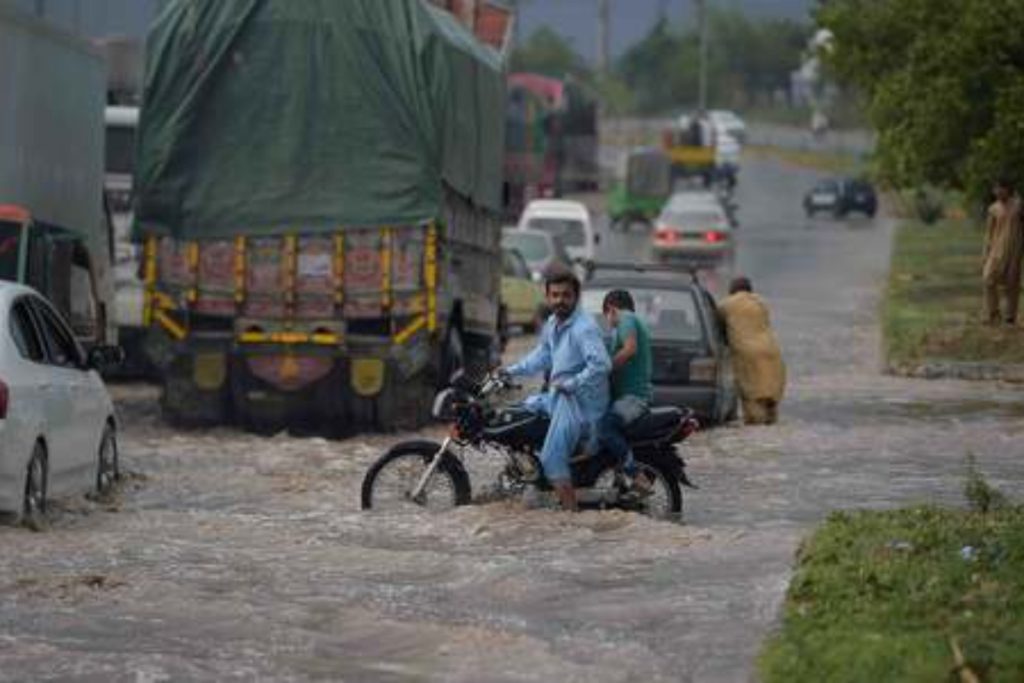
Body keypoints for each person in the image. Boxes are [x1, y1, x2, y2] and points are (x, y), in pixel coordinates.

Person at [503, 269, 611, 511]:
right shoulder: (553, 323)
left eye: (566, 295)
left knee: (551, 458)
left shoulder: (584, 328)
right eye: (555, 295)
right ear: (547, 296)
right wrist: (508, 371)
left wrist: (572, 383)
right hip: (558, 397)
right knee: (519, 412)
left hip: (580, 404)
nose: (560, 300)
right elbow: (541, 356)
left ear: (576, 297)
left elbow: (602, 364)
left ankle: (572, 515)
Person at [597, 290, 654, 491]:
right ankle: (618, 477)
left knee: (604, 428)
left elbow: (630, 349)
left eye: (607, 317)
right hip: (631, 397)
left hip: (633, 398)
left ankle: (635, 474)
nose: (608, 322)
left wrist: (605, 369)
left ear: (611, 309)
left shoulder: (626, 318)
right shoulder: (632, 322)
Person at [718, 277, 786, 425]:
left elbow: (719, 327)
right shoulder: (761, 303)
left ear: (732, 290)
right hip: (771, 350)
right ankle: (770, 425)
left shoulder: (726, 304)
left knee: (751, 396)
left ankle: (755, 427)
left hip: (747, 352)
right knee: (769, 395)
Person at [983, 178, 1023, 326]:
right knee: (988, 278)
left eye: (1001, 188)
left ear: (1008, 189)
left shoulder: (1018, 206)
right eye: (995, 188)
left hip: (1014, 249)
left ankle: (1010, 316)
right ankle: (993, 313)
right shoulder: (993, 209)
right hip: (996, 250)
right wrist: (985, 252)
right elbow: (988, 232)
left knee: (1012, 283)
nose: (998, 191)